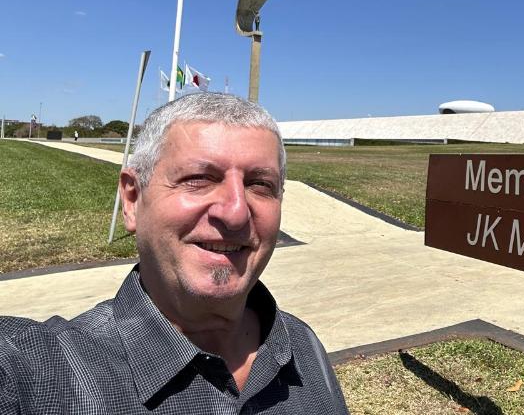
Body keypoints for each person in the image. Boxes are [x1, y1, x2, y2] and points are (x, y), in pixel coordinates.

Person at [0, 93, 349, 414]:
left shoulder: (303, 348)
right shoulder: (42, 374)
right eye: (199, 178)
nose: (235, 211)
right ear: (133, 200)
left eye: (260, 184)